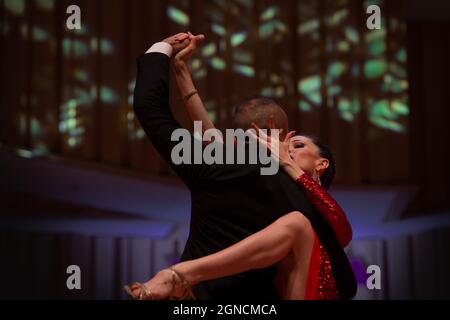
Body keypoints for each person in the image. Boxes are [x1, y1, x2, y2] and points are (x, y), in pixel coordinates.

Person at [132, 32, 356, 299]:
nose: (291, 149)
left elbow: (151, 109)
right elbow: (345, 279)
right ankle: (178, 274)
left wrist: (162, 52)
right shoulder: (300, 202)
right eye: (292, 141)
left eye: (299, 145)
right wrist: (181, 73)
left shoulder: (215, 164)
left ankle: (179, 275)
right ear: (281, 135)